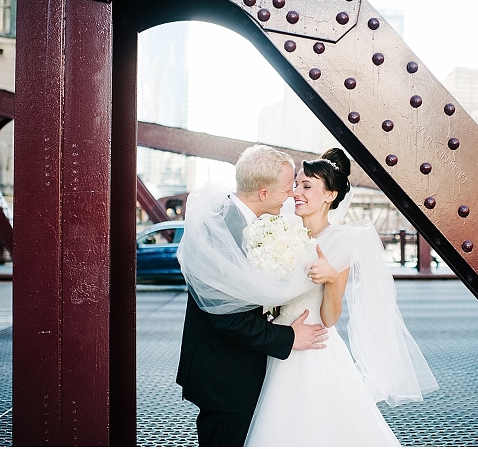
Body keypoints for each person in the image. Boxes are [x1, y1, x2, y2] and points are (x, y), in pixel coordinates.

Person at [245, 148, 440, 446]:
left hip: (313, 348)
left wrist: (332, 279)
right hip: (276, 340)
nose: (296, 192)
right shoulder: (279, 232)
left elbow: (330, 318)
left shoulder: (342, 241)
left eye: (307, 186)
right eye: (296, 185)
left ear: (329, 195)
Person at [177, 145, 329, 447]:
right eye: (286, 189)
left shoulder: (235, 219)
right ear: (263, 193)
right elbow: (227, 317)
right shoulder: (225, 230)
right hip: (225, 375)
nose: (290, 195)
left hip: (231, 368)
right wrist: (288, 337)